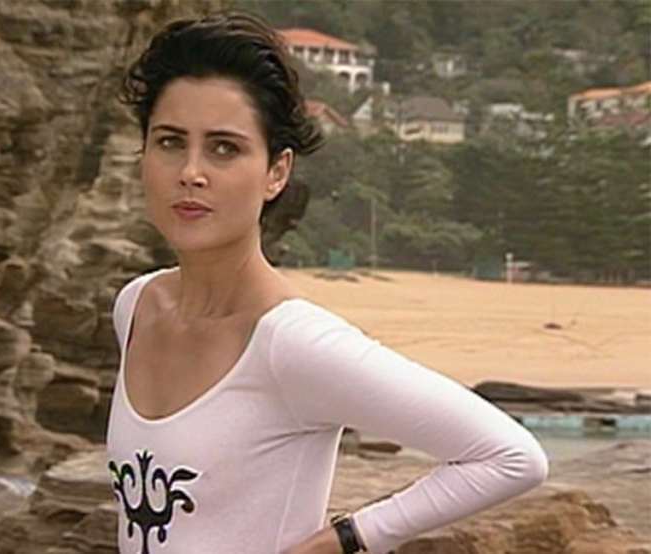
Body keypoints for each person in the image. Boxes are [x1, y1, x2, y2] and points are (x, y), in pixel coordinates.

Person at [106, 11, 549, 554]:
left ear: (276, 172)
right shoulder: (137, 306)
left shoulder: (293, 343)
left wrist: (346, 539)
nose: (190, 172)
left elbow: (512, 456)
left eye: (224, 148)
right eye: (170, 142)